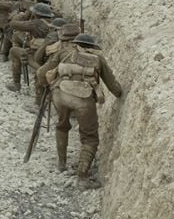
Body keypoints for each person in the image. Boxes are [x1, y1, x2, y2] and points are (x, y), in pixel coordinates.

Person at [45, 33, 123, 185]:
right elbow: (113, 87)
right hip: (82, 98)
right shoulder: (98, 59)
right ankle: (82, 177)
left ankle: (62, 164)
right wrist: (121, 93)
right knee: (90, 138)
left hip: (60, 94)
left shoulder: (64, 52)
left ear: (76, 44)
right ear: (92, 47)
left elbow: (44, 73)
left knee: (62, 125)